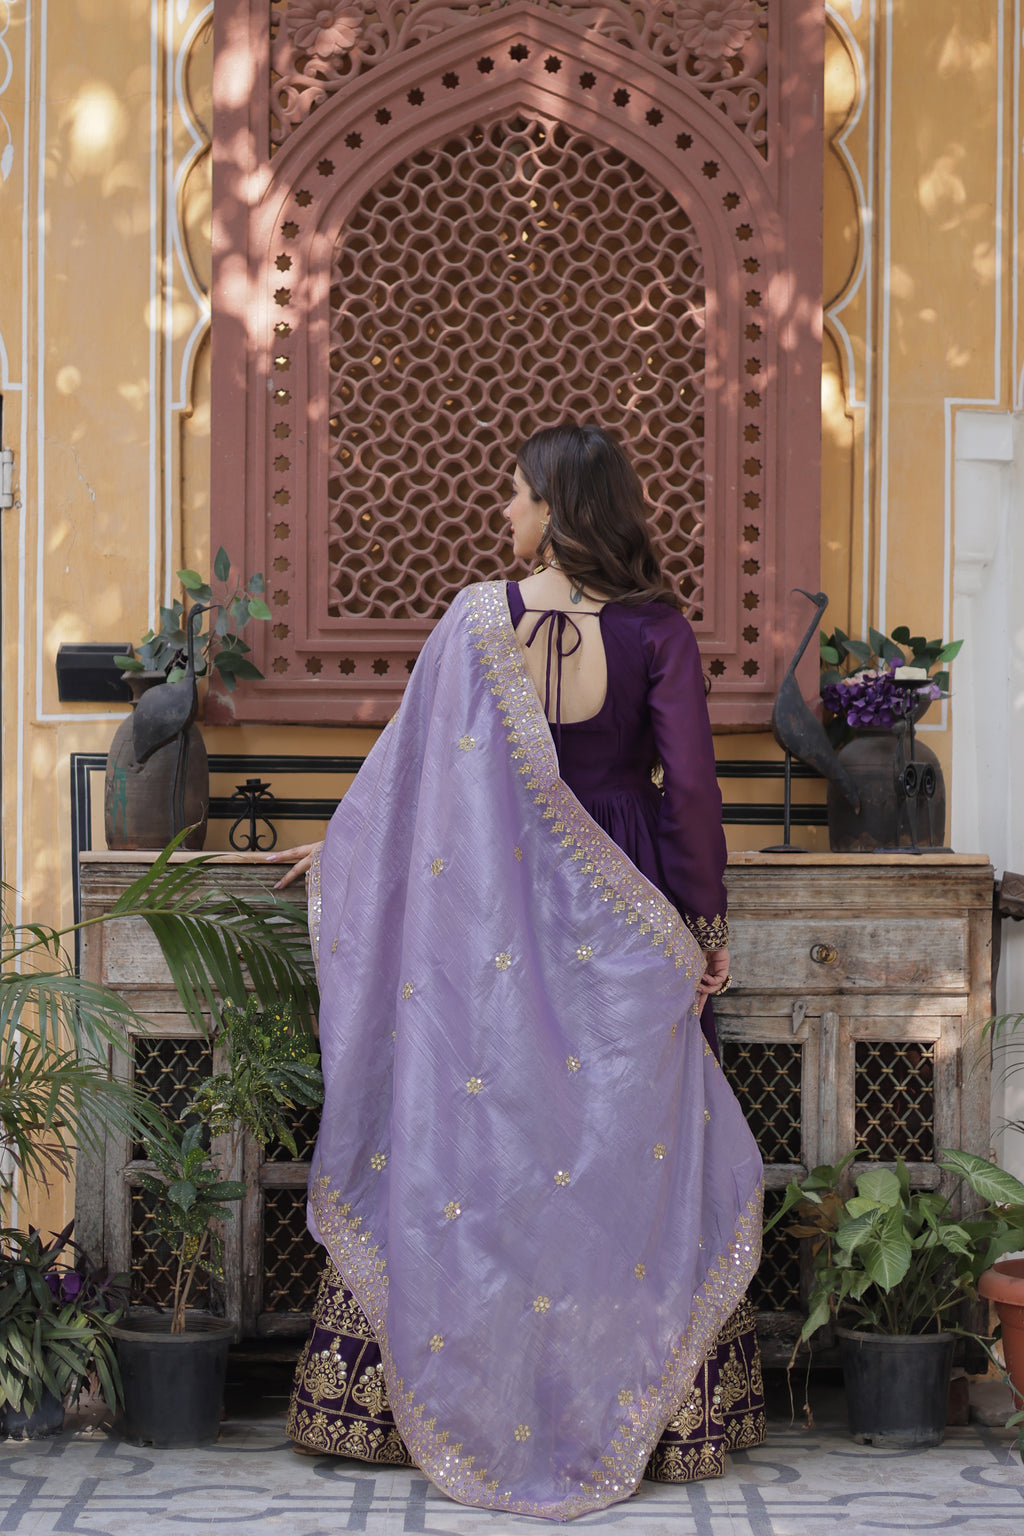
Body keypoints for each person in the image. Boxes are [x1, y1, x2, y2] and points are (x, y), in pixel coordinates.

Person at [268, 423, 765, 1520]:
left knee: (493, 1138)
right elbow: (689, 790)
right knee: (609, 1147)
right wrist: (704, 923)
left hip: (491, 909)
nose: (503, 513)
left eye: (514, 494)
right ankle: (649, 1412)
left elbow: (409, 773)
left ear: (553, 504)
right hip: (626, 893)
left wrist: (345, 847)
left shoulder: (472, 618)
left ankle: (444, 1396)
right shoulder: (653, 630)